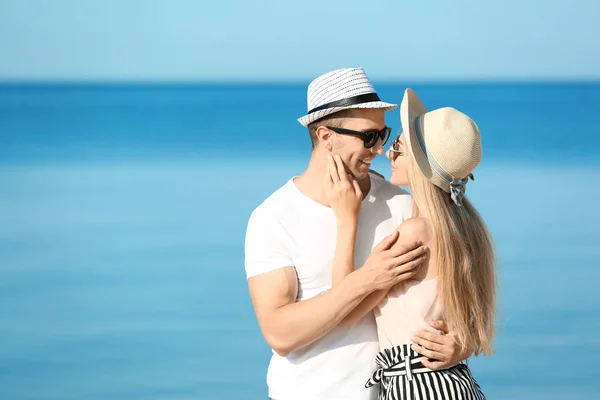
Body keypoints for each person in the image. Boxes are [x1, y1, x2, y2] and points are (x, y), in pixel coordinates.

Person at [244, 68, 471, 400]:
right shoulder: (274, 217)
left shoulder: (402, 204)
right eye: (368, 137)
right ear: (325, 136)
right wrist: (370, 277)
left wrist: (459, 345)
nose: (379, 150)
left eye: (384, 134)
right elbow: (280, 334)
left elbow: (450, 297)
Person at [325, 88, 496, 399]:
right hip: (456, 383)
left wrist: (346, 218)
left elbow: (344, 308)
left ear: (419, 163)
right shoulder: (468, 227)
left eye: (398, 147)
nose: (388, 153)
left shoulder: (414, 233)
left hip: (418, 385)